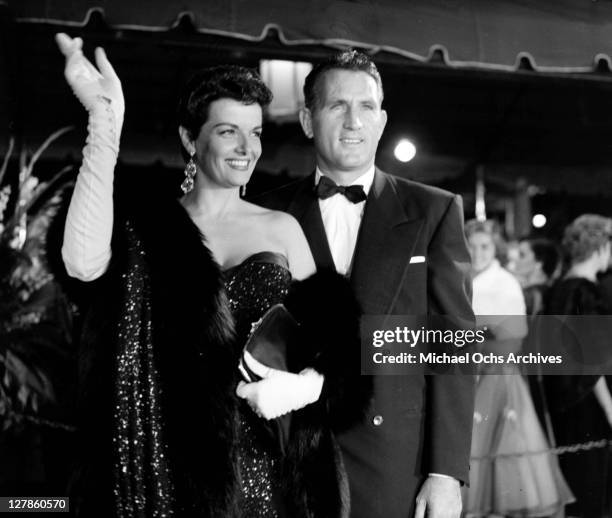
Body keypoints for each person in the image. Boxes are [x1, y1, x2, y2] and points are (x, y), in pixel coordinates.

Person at [56, 33, 364, 517]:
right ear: (189, 139)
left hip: (272, 482)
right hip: (160, 477)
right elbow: (80, 262)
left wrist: (307, 385)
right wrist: (103, 125)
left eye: (256, 132)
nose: (247, 148)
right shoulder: (144, 230)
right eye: (227, 131)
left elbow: (340, 353)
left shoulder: (281, 229)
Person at [256, 50, 475, 518]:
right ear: (307, 120)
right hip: (287, 454)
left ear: (382, 120)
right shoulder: (265, 213)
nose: (353, 121)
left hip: (396, 462)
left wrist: (445, 473)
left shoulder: (433, 210)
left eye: (366, 107)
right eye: (337, 106)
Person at [463, 219, 573, 517]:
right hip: (465, 374)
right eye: (472, 246)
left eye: (484, 246)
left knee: (492, 452)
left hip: (494, 375)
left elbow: (514, 338)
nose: (478, 252)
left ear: (495, 248)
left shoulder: (505, 283)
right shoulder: (461, 278)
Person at [544, 214, 612, 518]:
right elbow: (592, 361)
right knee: (592, 488)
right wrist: (610, 406)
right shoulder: (585, 291)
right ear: (599, 247)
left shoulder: (558, 288)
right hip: (589, 405)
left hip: (564, 402)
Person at [514, 238, 561, 316]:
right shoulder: (551, 293)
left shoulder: (529, 296)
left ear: (539, 262)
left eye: (522, 255)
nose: (516, 260)